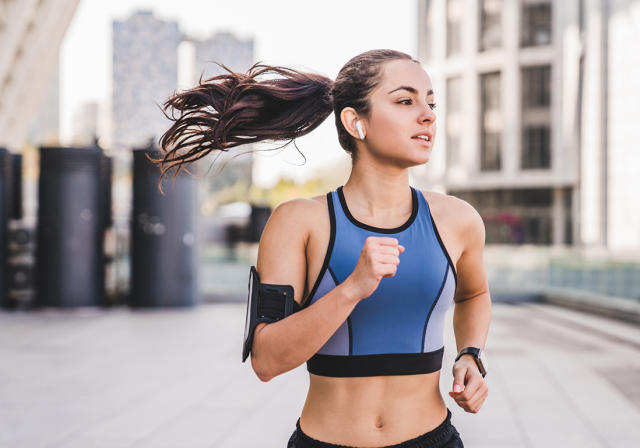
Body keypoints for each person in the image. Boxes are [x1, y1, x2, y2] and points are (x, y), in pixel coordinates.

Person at [152, 49, 491, 448]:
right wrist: (353, 288)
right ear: (355, 122)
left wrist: (470, 354)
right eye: (405, 100)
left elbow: (475, 294)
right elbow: (266, 360)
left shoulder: (458, 220)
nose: (428, 115)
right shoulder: (299, 222)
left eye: (431, 102)